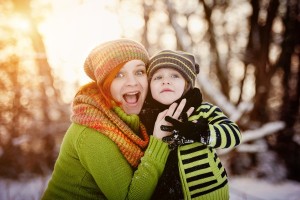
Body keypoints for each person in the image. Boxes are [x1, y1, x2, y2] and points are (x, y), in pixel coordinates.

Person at [41, 39, 184, 200]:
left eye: (139, 72)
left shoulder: (135, 119)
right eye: (119, 74)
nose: (132, 82)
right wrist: (159, 143)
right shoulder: (91, 132)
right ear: (105, 85)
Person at [140, 50, 242, 199]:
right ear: (149, 86)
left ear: (187, 84)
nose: (166, 81)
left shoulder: (203, 111)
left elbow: (234, 135)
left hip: (207, 195)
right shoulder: (143, 119)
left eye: (175, 76)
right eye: (158, 77)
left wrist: (201, 132)